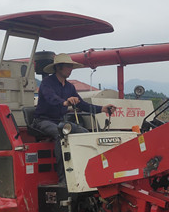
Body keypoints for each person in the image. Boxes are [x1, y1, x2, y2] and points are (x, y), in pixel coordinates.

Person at [31, 54, 115, 184]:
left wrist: (102, 108)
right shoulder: (47, 83)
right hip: (42, 121)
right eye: (69, 66)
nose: (71, 69)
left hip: (60, 121)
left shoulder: (70, 87)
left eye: (71, 67)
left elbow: (82, 104)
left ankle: (86, 173)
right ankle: (64, 179)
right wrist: (64, 103)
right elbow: (51, 98)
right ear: (59, 67)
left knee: (84, 134)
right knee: (61, 134)